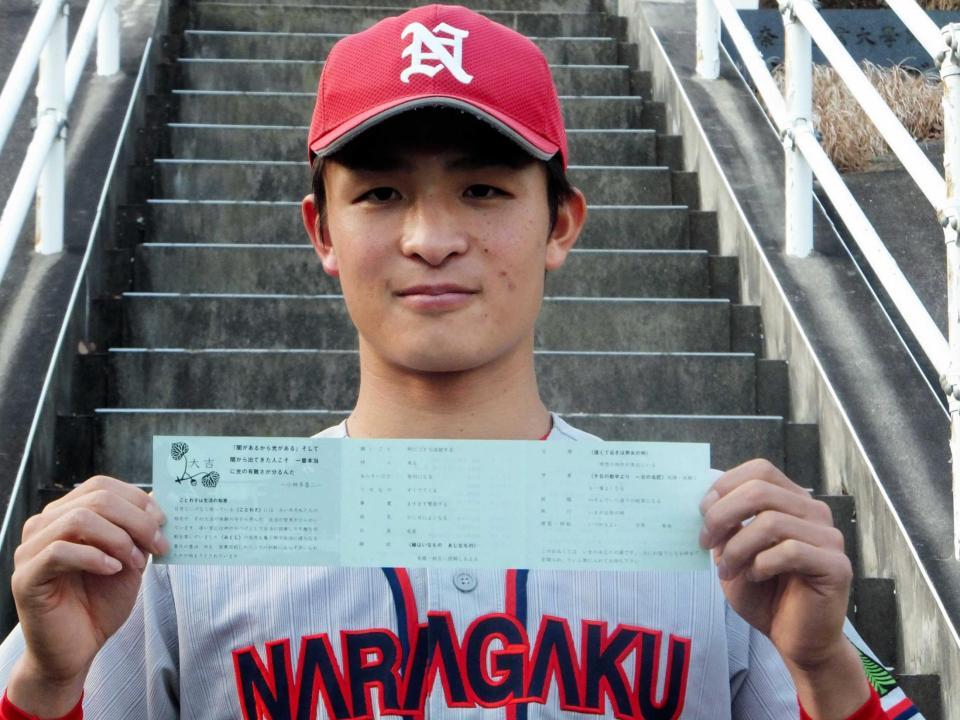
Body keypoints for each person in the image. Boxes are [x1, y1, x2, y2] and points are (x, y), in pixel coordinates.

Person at [0, 4, 893, 718]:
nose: (431, 238)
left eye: (484, 189)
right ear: (323, 232)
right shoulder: (173, 554)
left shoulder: (719, 550)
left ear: (562, 224)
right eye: (382, 193)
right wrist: (42, 692)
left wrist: (825, 672)